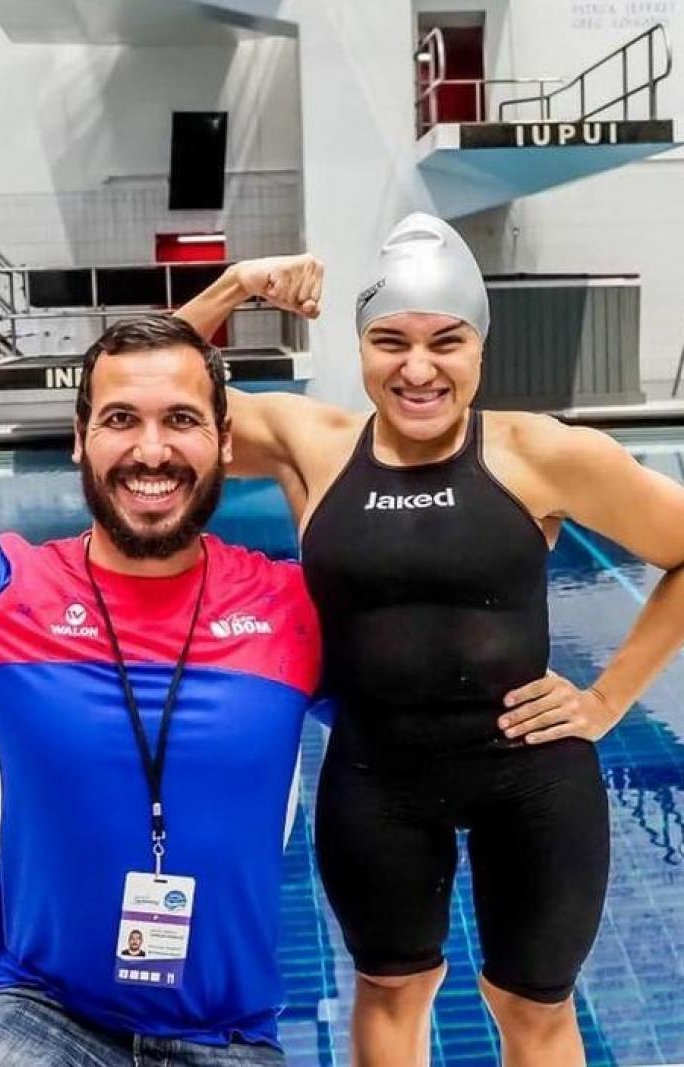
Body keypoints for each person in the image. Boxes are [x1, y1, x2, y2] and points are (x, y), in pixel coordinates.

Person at [169, 215, 684, 1067]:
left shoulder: (540, 452)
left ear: (479, 347)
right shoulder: (315, 446)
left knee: (534, 1010)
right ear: (360, 348)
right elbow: (153, 385)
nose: (417, 367)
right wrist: (236, 286)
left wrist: (606, 699)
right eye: (389, 341)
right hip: (377, 779)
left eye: (446, 341)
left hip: (533, 778)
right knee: (391, 991)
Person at [0, 314, 322, 1067]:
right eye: (122, 419)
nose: (151, 451)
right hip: (38, 1018)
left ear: (224, 441)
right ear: (80, 439)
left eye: (180, 420)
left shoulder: (296, 607)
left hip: (228, 1040)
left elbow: (443, 698)